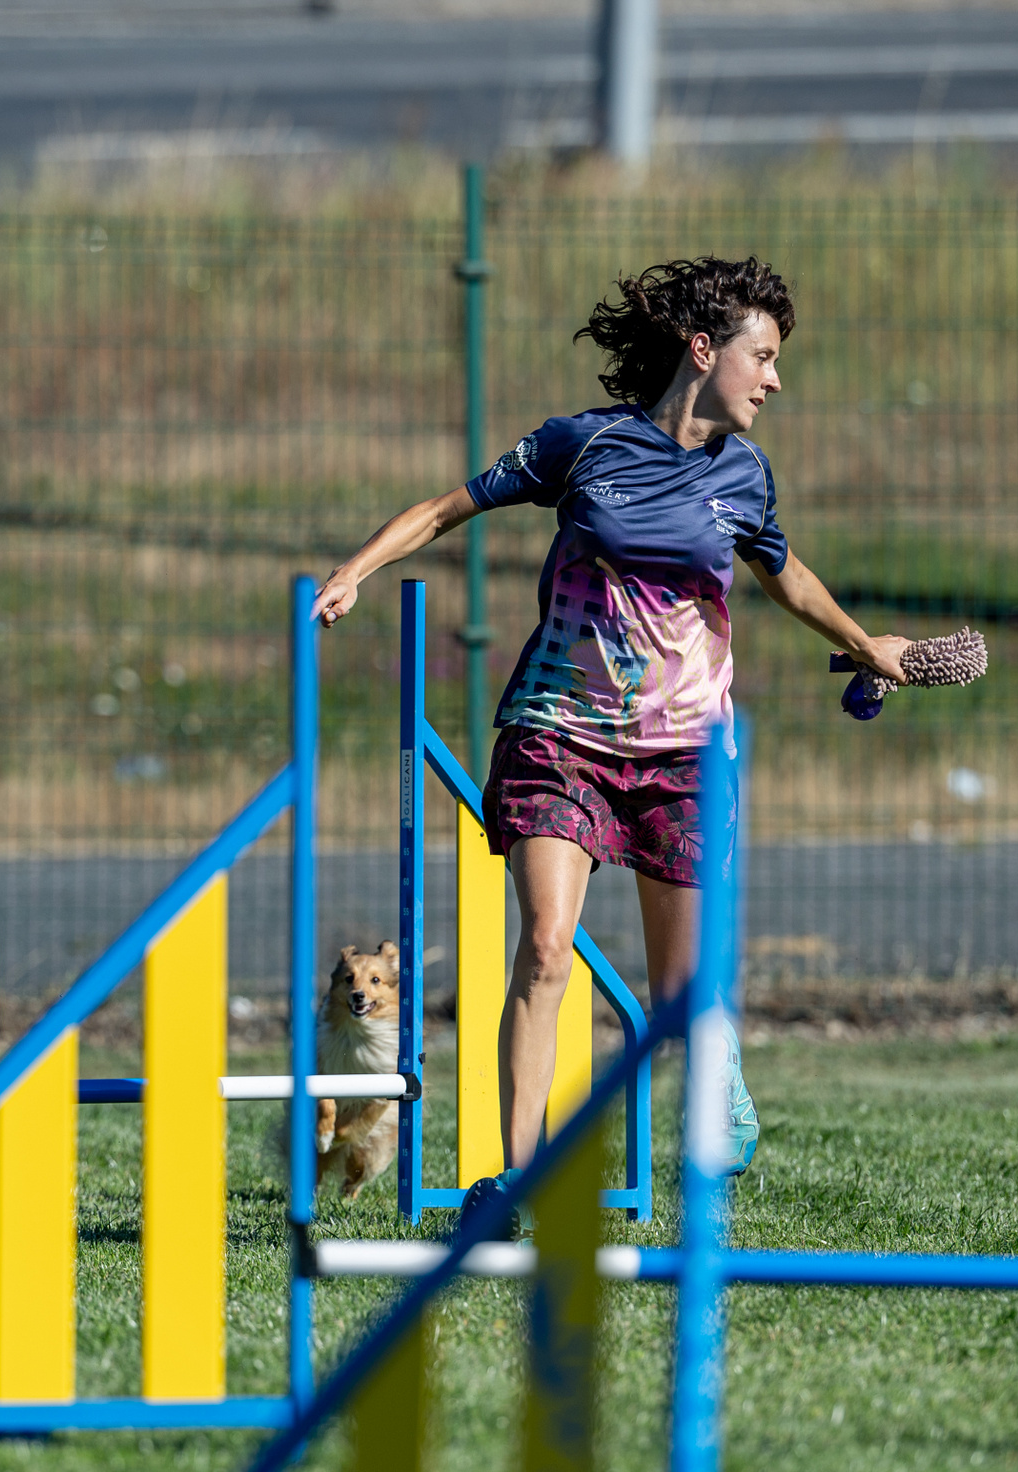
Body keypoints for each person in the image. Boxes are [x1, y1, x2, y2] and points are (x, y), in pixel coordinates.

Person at [309, 255, 908, 1207]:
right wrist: (356, 568)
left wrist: (865, 643)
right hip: (561, 736)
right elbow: (448, 507)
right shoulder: (582, 445)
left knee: (680, 997)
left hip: (684, 754)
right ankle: (518, 1177)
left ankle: (716, 1063)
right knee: (547, 946)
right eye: (763, 357)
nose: (775, 379)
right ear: (702, 350)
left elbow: (786, 575)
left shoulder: (746, 476)